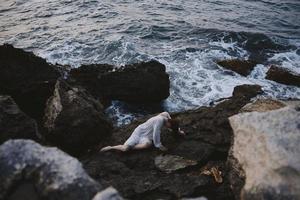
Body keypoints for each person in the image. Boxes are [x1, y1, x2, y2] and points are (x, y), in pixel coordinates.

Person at [100, 112, 185, 152]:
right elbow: (156, 133)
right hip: (139, 132)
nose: (168, 128)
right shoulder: (159, 120)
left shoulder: (166, 115)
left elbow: (172, 123)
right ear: (169, 122)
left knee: (147, 145)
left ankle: (131, 147)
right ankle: (111, 147)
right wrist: (159, 146)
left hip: (147, 136)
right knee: (125, 149)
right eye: (169, 126)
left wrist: (178, 131)